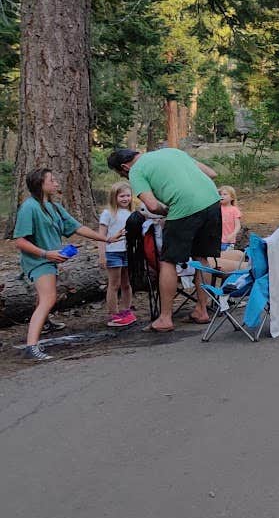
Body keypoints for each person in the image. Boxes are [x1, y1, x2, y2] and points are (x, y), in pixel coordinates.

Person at [107, 147, 220, 333]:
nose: (125, 177)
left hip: (184, 207)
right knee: (201, 257)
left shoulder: (136, 170)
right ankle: (202, 309)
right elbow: (211, 173)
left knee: (168, 261)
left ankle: (165, 318)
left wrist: (167, 211)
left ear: (124, 167)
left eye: (122, 174)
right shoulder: (171, 151)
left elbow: (151, 205)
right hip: (212, 201)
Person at [13, 168, 110, 360]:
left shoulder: (54, 206)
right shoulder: (29, 207)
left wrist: (106, 239)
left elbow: (77, 227)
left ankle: (45, 323)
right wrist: (46, 253)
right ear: (40, 184)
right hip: (38, 260)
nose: (56, 183)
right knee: (48, 298)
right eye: (52, 180)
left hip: (50, 259)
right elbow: (20, 241)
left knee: (44, 296)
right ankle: (31, 347)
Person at [97, 182, 138, 329]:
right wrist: (102, 255)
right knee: (114, 284)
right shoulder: (108, 213)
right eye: (122, 196)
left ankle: (126, 310)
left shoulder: (132, 213)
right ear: (114, 197)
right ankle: (113, 314)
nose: (125, 199)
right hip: (113, 251)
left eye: (128, 195)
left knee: (126, 284)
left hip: (128, 252)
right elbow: (101, 236)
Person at [218, 186, 242, 252]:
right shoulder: (217, 208)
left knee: (226, 256)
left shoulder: (234, 210)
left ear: (232, 198)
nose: (222, 196)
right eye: (220, 194)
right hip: (216, 241)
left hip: (228, 241)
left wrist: (233, 234)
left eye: (225, 194)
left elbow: (238, 226)